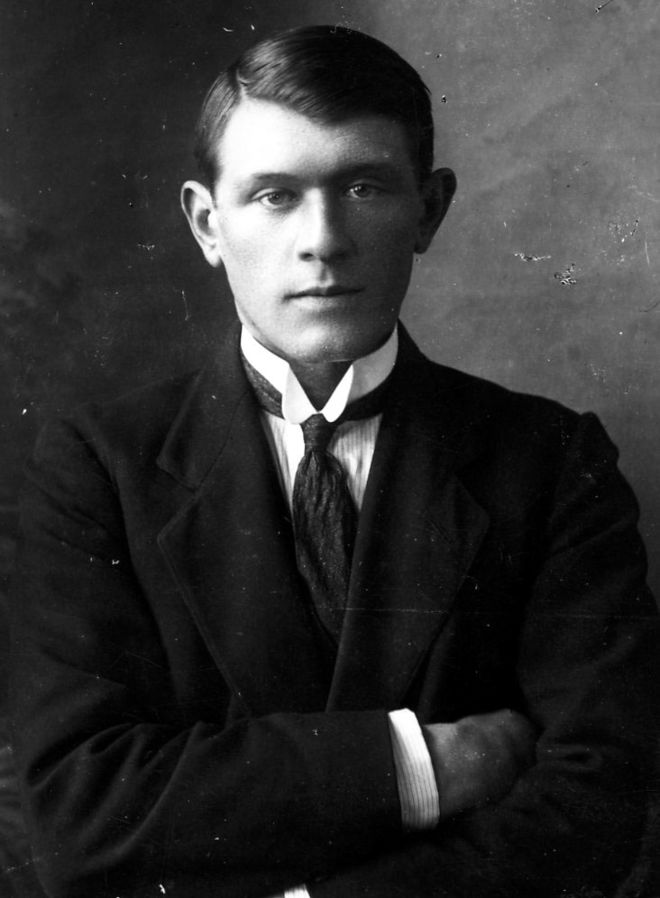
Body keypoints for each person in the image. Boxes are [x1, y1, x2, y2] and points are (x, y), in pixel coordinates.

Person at [8, 24, 658, 898]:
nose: (324, 239)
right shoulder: (100, 467)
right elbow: (80, 813)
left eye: (363, 186)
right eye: (275, 195)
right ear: (206, 223)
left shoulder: (550, 463)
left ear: (428, 210)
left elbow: (599, 798)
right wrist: (419, 764)